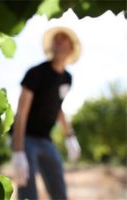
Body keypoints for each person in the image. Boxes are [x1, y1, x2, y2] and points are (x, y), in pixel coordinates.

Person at [12, 26, 81, 200]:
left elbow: (58, 107)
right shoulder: (36, 73)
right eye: (55, 38)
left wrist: (69, 136)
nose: (57, 40)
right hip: (26, 138)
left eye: (62, 38)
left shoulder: (67, 78)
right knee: (28, 192)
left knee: (59, 189)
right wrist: (18, 151)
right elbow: (21, 112)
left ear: (71, 47)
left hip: (45, 139)